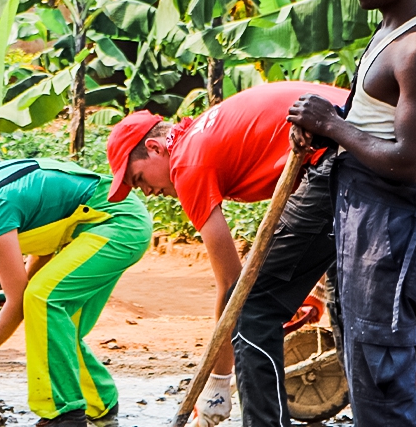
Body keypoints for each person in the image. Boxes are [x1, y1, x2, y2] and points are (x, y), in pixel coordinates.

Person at [286, 0, 416, 424]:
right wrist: (325, 131)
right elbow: (371, 124)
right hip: (366, 229)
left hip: (395, 238)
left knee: (384, 385)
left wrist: (333, 125)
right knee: (364, 373)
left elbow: (407, 162)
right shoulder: (388, 32)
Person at [105, 81, 347, 427]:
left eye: (138, 178)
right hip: (359, 142)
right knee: (346, 303)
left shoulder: (186, 164)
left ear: (155, 148)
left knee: (252, 309)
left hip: (337, 150)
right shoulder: (203, 134)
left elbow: (234, 286)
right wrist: (312, 285)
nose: (146, 192)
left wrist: (218, 385)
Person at [0, 158, 152, 427]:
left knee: (42, 300)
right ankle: (102, 406)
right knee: (58, 330)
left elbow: (20, 303)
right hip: (99, 226)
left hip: (117, 223)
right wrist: (20, 285)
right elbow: (44, 241)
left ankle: (63, 414)